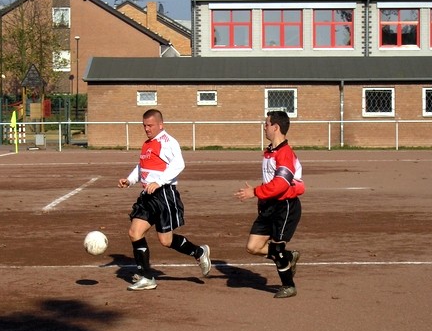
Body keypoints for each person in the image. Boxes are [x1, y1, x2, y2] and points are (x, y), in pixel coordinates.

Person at [118, 109, 211, 291]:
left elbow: (179, 164)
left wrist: (159, 182)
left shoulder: (168, 142)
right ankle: (146, 276)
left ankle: (199, 252)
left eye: (150, 125)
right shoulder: (147, 144)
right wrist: (129, 180)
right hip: (147, 196)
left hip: (163, 195)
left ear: (161, 125)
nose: (147, 129)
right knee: (134, 232)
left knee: (166, 241)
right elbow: (142, 167)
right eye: (144, 125)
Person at [234, 110, 305, 298]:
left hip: (285, 207)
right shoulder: (270, 152)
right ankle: (288, 257)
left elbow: (281, 185)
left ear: (276, 127)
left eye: (266, 124)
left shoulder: (285, 154)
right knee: (253, 247)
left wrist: (255, 192)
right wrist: (261, 196)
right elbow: (272, 183)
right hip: (269, 206)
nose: (264, 127)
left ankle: (289, 286)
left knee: (278, 247)